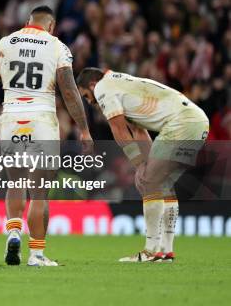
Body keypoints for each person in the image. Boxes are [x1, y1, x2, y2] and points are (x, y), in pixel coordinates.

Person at [0, 6, 92, 266]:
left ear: (27, 22)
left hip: (11, 117)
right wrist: (84, 128)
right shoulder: (57, 46)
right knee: (39, 191)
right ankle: (37, 254)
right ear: (51, 26)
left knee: (15, 182)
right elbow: (69, 91)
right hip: (42, 118)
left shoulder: (6, 42)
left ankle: (14, 232)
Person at [76, 68, 209, 262]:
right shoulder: (122, 84)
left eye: (86, 96)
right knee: (161, 184)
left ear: (92, 85)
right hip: (198, 122)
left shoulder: (104, 88)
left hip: (181, 124)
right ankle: (165, 251)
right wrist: (144, 164)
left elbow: (119, 130)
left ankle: (150, 251)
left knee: (149, 181)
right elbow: (138, 131)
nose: (89, 101)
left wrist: (139, 167)